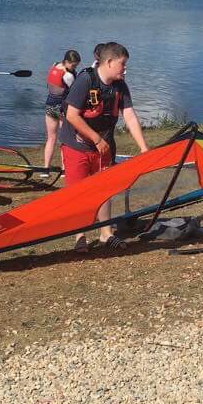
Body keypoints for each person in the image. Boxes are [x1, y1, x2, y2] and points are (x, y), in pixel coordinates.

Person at [60, 42, 149, 250]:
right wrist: (96, 139)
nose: (125, 69)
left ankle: (106, 233)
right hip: (77, 146)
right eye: (122, 64)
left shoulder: (120, 85)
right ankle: (79, 236)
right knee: (78, 192)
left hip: (104, 147)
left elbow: (129, 115)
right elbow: (72, 115)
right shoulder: (85, 80)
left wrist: (143, 148)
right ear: (109, 62)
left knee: (105, 188)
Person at [42, 49, 82, 171]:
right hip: (62, 108)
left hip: (49, 105)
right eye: (73, 65)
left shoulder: (54, 65)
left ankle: (45, 169)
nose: (74, 67)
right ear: (66, 61)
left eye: (76, 65)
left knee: (51, 138)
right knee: (66, 138)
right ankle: (65, 169)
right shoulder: (68, 75)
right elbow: (75, 92)